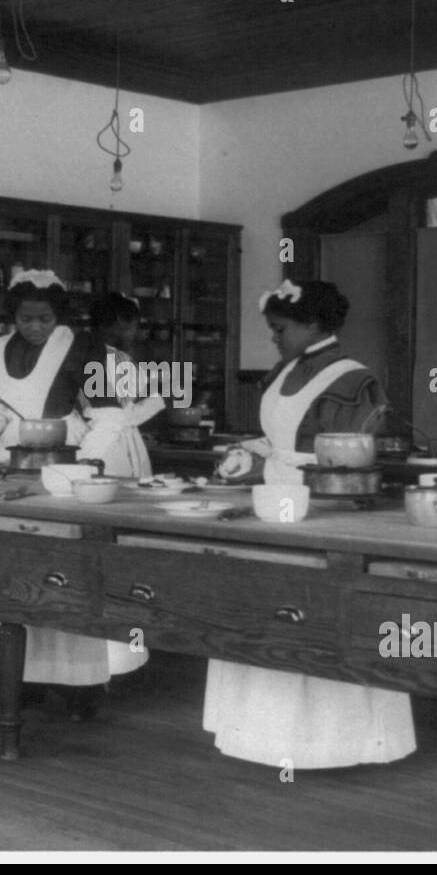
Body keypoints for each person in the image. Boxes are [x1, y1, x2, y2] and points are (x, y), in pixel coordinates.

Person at [205, 278, 416, 768]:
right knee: (263, 599)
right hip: (276, 496)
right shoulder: (284, 371)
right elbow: (277, 440)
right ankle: (259, 734)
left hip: (325, 502)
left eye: (280, 329)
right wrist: (250, 456)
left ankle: (329, 741)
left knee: (312, 610)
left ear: (314, 323)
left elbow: (352, 454)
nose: (274, 338)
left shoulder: (352, 378)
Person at [0, 270, 148, 717]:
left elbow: (109, 416)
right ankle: (16, 672)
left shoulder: (84, 348)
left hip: (72, 457)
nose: (35, 327)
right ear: (13, 316)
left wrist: (87, 462)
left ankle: (80, 677)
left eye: (44, 318)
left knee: (65, 569)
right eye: (26, 318)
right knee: (9, 560)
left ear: (59, 316)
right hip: (15, 462)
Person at [76, 291, 165, 479]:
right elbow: (125, 413)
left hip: (87, 439)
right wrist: (162, 392)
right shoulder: (118, 359)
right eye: (134, 326)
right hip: (112, 444)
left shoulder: (79, 350)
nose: (135, 333)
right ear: (121, 322)